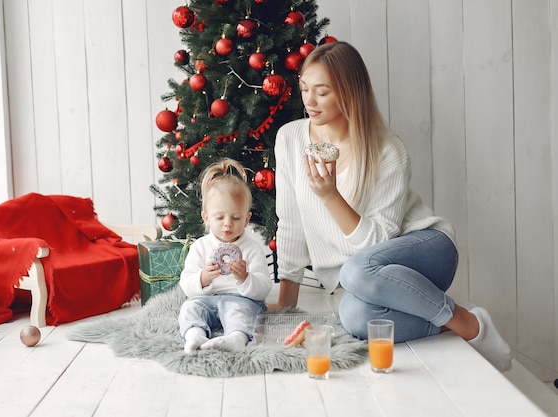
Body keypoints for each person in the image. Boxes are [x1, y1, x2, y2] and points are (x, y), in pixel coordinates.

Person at [272, 41, 512, 371]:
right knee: (355, 317)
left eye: (322, 92)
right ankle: (442, 319)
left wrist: (330, 196)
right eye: (304, 88)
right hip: (368, 277)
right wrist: (287, 303)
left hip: (426, 249)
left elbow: (376, 244)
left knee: (356, 269)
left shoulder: (387, 150)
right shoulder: (290, 139)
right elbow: (290, 222)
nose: (309, 101)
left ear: (348, 93)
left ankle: (468, 323)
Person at [178, 158, 272, 353]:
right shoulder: (200, 247)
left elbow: (263, 288)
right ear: (206, 218)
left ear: (246, 219)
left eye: (236, 217)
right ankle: (195, 335)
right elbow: (186, 283)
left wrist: (246, 278)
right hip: (205, 298)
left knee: (240, 314)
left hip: (241, 299)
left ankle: (236, 339)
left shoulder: (251, 249)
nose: (228, 224)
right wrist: (202, 278)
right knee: (189, 309)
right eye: (220, 217)